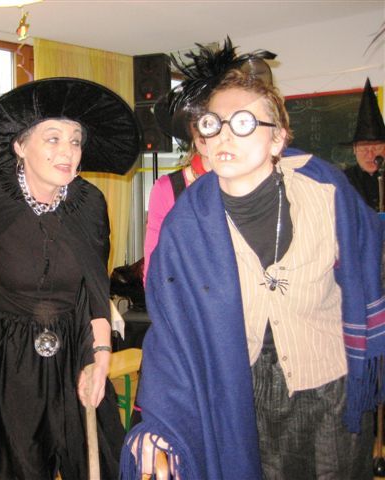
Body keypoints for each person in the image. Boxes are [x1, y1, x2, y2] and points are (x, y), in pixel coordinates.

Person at [121, 67, 384, 479]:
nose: (224, 136)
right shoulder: (184, 227)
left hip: (330, 386)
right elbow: (172, 329)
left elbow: (368, 270)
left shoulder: (328, 196)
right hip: (239, 395)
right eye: (212, 124)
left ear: (278, 138)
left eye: (243, 123)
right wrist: (159, 422)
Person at [0, 77, 140, 480]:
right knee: (20, 466)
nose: (67, 151)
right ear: (20, 146)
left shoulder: (89, 202)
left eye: (75, 141)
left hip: (77, 346)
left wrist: (101, 357)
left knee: (95, 457)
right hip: (8, 356)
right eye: (53, 138)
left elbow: (95, 288)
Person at [143, 37, 277, 284]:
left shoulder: (258, 179)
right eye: (202, 124)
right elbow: (154, 267)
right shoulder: (168, 188)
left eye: (217, 122)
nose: (209, 133)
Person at [343, 77, 385, 211]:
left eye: (376, 148)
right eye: (364, 148)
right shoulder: (343, 180)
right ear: (354, 149)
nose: (370, 155)